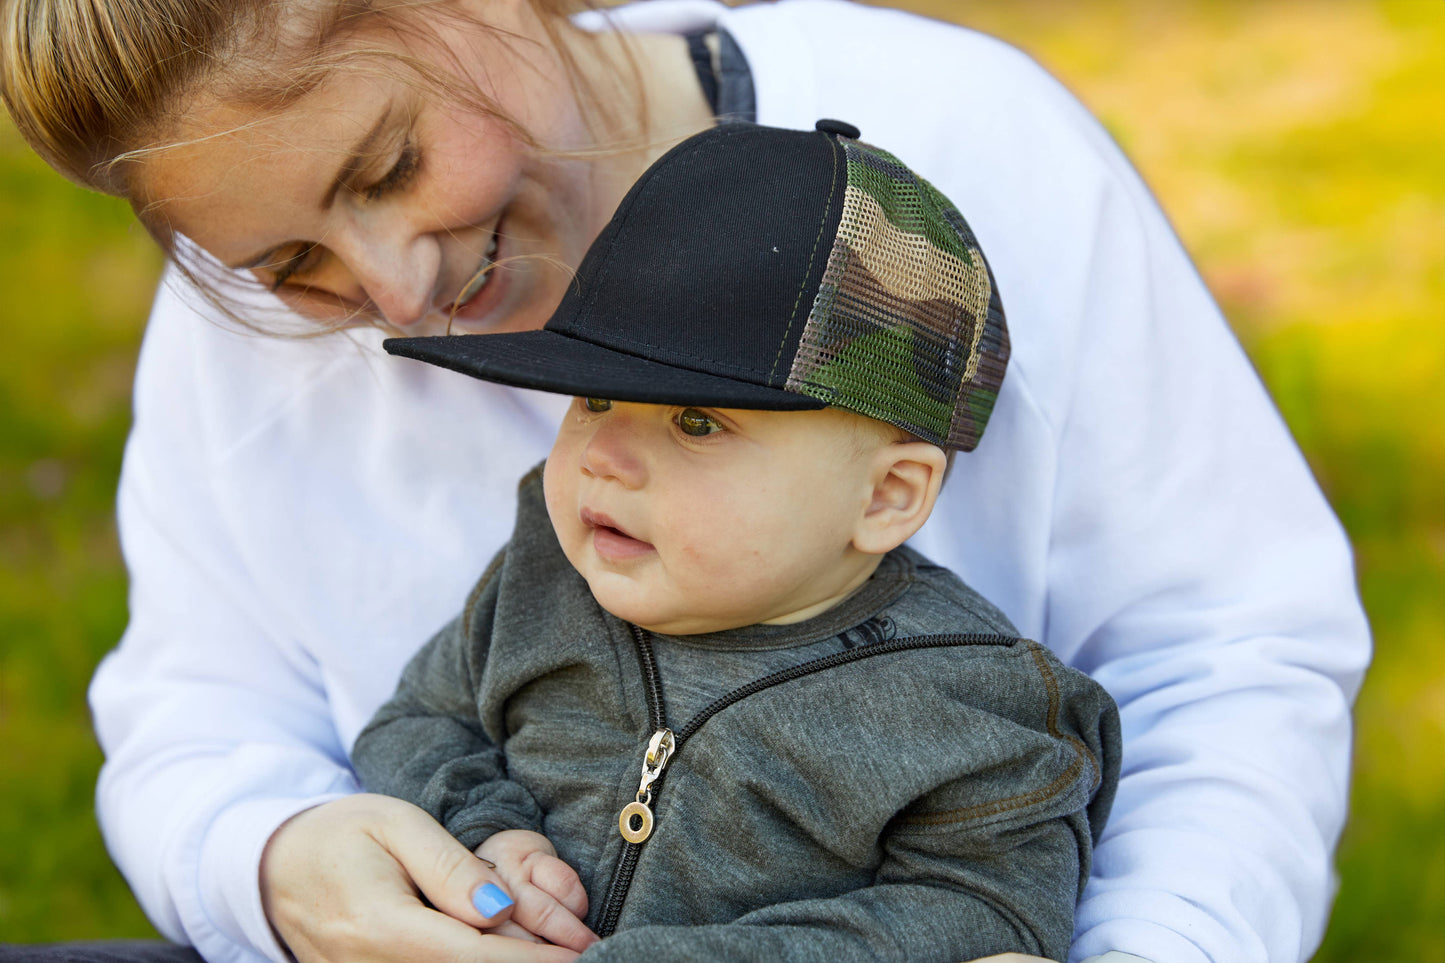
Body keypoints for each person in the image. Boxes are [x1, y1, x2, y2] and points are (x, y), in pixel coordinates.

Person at [0, 1, 1369, 962]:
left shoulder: (963, 141)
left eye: (392, 163)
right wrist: (272, 860)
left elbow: (1226, 651)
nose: (394, 290)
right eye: (286, 265)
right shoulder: (233, 350)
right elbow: (197, 700)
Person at [350, 119, 1122, 962]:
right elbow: (421, 719)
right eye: (592, 401)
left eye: (693, 421)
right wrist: (485, 830)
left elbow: (992, 913)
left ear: (886, 497)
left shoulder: (965, 699)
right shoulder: (543, 576)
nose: (602, 457)